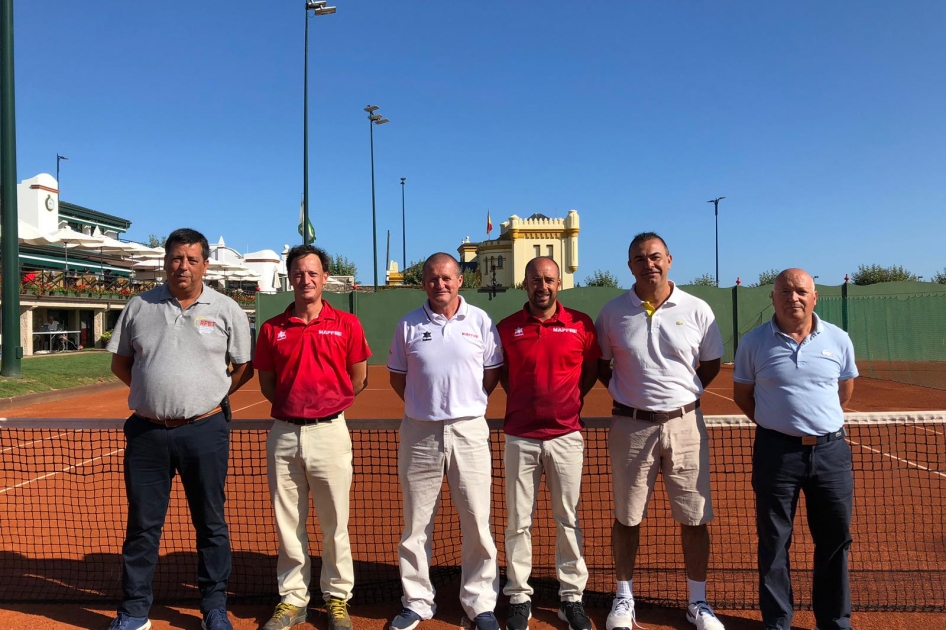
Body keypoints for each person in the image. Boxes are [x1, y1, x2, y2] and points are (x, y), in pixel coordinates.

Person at [106, 228, 253, 630]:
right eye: (175, 258)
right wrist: (151, 394)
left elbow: (243, 366)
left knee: (210, 523)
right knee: (142, 526)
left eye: (191, 259)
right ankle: (135, 611)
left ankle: (214, 608)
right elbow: (121, 363)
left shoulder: (226, 309)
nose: (182, 266)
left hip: (205, 432)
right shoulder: (139, 305)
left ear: (205, 264)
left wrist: (212, 396)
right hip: (146, 434)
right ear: (165, 262)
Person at [595, 232, 726, 630]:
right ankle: (623, 596)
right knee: (626, 517)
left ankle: (697, 602)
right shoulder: (612, 312)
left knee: (695, 516)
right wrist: (635, 399)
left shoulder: (698, 309)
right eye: (639, 258)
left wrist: (678, 399)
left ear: (669, 259)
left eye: (655, 256)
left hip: (686, 426)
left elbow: (710, 365)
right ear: (630, 265)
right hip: (631, 426)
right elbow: (603, 367)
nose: (648, 263)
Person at [254, 245, 371, 630]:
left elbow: (358, 378)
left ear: (324, 278)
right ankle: (292, 599)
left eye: (313, 273)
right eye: (299, 273)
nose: (306, 279)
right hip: (284, 435)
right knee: (288, 522)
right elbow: (268, 385)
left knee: (335, 522)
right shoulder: (272, 328)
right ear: (291, 278)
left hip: (331, 433)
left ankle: (337, 598)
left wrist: (327, 406)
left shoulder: (348, 324)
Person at [733, 269, 858, 630]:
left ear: (815, 297)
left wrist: (818, 424)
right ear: (773, 298)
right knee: (773, 542)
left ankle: (834, 621)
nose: (793, 298)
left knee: (835, 540)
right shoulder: (754, 342)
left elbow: (844, 390)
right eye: (785, 292)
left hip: (831, 455)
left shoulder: (838, 339)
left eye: (801, 291)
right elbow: (744, 396)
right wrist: (779, 427)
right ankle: (778, 621)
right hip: (776, 453)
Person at [387, 253, 503, 630]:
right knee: (416, 523)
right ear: (424, 283)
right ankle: (417, 601)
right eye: (433, 279)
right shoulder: (407, 324)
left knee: (476, 521)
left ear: (459, 281)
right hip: (420, 433)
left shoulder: (481, 321)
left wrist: (463, 406)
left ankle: (480, 603)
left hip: (469, 430)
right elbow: (398, 379)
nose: (441, 284)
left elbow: (491, 373)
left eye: (447, 278)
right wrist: (427, 407)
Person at [496, 257, 600, 630]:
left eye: (550, 280)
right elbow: (505, 376)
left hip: (567, 437)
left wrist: (565, 405)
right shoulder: (507, 328)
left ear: (560, 284)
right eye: (536, 280)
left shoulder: (580, 325)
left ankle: (571, 597)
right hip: (520, 437)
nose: (543, 286)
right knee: (517, 522)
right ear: (525, 284)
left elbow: (589, 372)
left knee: (568, 519)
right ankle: (520, 595)